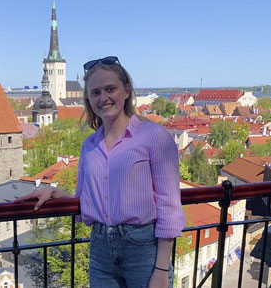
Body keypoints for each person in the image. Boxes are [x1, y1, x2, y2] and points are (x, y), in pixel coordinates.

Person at [14, 56, 185, 288]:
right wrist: (52, 192)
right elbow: (85, 200)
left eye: (110, 89)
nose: (103, 98)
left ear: (126, 91)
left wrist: (162, 270)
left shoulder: (154, 137)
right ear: (89, 99)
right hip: (100, 247)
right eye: (95, 93)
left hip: (143, 248)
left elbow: (169, 206)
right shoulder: (89, 146)